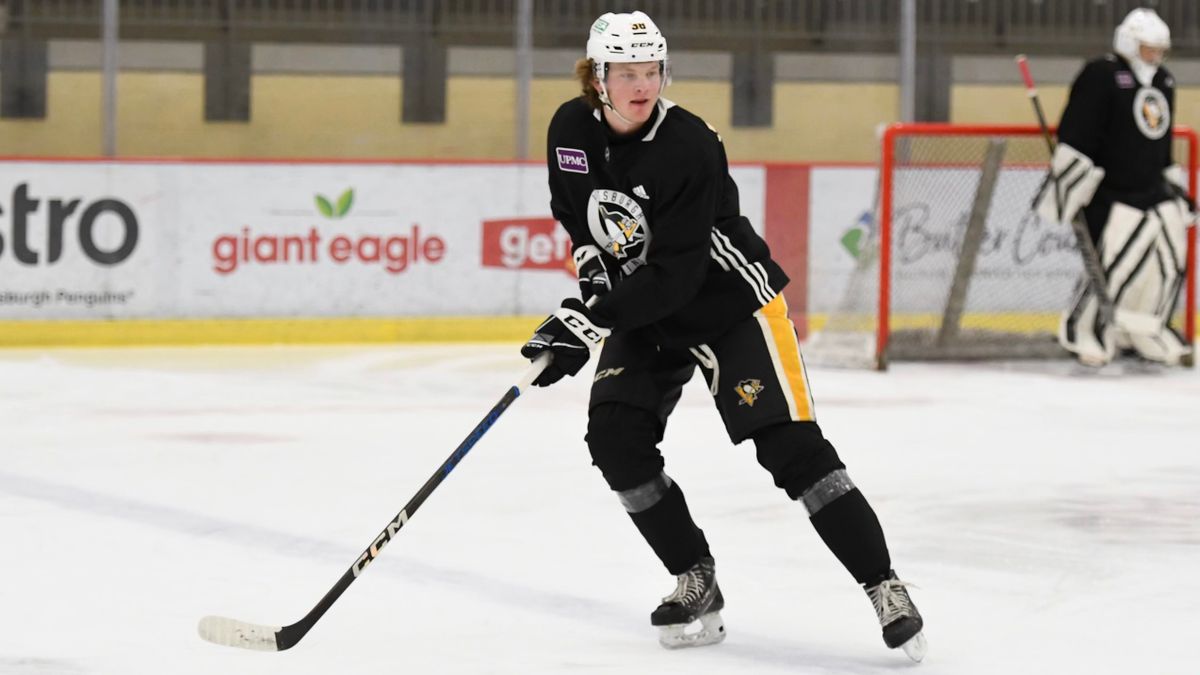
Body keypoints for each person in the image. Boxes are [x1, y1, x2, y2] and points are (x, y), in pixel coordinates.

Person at [518, 10, 926, 661]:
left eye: (650, 69)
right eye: (625, 72)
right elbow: (578, 217)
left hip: (729, 304)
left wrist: (591, 318)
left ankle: (884, 584)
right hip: (647, 309)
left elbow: (676, 274)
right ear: (597, 78)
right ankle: (695, 578)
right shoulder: (570, 130)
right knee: (615, 439)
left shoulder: (689, 145)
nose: (641, 83)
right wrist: (590, 291)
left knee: (790, 449)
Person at [1034, 7, 1193, 367]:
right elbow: (1077, 132)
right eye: (1150, 48)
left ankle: (1144, 328)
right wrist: (1071, 182)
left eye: (1160, 49)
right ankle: (1083, 328)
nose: (1156, 57)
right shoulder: (1102, 74)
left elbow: (1161, 139)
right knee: (1109, 264)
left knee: (1164, 260)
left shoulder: (1163, 82)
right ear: (1130, 43)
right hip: (1110, 192)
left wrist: (1172, 185)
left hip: (1151, 189)